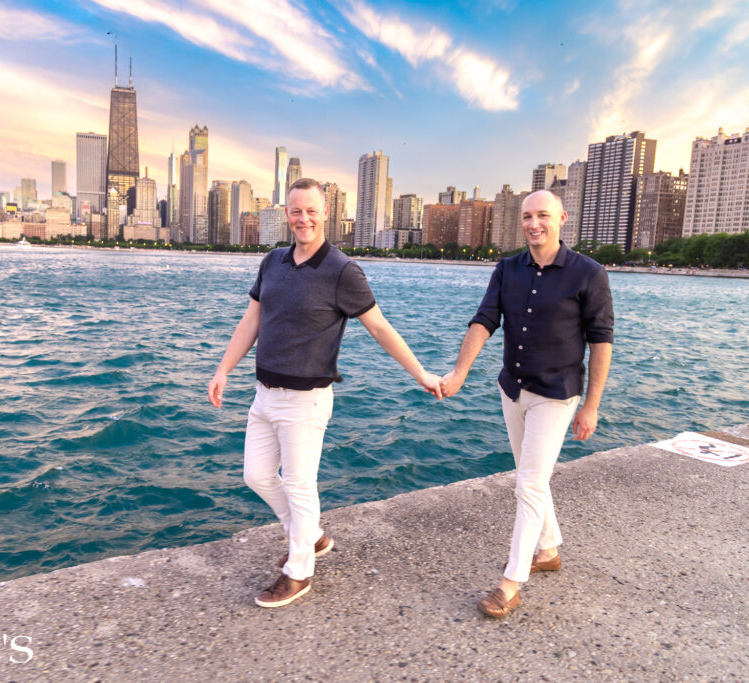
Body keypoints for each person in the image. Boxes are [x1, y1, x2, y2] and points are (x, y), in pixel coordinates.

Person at [208, 178, 443, 608]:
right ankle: (311, 536)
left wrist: (421, 373)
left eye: (311, 211)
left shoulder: (342, 270)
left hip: (307, 398)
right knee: (256, 476)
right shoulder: (272, 262)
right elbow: (251, 322)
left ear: (326, 212)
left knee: (299, 484)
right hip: (264, 393)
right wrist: (223, 369)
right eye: (296, 211)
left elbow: (379, 327)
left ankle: (299, 572)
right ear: (286, 214)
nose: (304, 219)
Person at [440, 190, 614, 618]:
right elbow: (484, 320)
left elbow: (601, 342)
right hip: (512, 389)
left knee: (529, 485)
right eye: (527, 217)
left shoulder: (589, 274)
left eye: (543, 216)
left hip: (557, 394)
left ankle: (511, 581)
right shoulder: (507, 269)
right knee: (531, 478)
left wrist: (591, 406)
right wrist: (460, 372)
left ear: (561, 219)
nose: (534, 224)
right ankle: (548, 550)